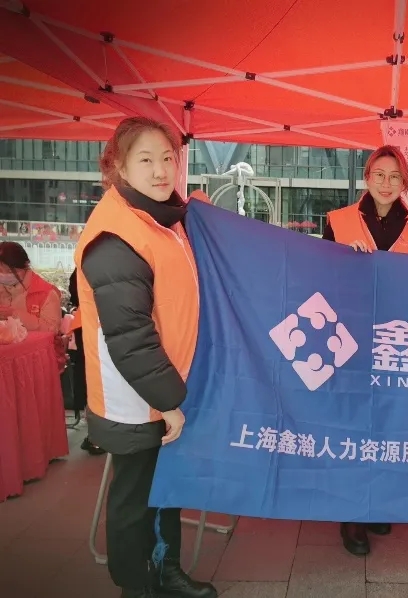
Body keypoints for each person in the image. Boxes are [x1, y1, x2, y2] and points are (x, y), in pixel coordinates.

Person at [74, 116, 215, 598]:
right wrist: (167, 400)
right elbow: (131, 336)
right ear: (118, 166)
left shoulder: (160, 218)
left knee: (166, 486)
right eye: (146, 160)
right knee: (135, 499)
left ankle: (165, 569)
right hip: (134, 398)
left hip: (162, 386)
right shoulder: (115, 237)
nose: (160, 171)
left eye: (168, 158)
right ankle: (136, 586)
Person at [322, 145, 408, 556]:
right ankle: (351, 514)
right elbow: (318, 278)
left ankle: (375, 503)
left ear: (404, 183)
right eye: (379, 174)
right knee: (352, 427)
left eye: (395, 176)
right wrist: (344, 262)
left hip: (392, 343)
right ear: (367, 177)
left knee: (385, 426)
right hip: (348, 340)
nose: (386, 183)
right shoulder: (338, 221)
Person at [68, 267, 105, 455]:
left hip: (89, 323)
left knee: (92, 377)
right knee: (95, 378)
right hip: (95, 325)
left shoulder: (85, 264)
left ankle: (96, 435)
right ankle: (97, 436)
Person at [0, 241, 62, 333]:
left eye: (10, 271)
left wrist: (14, 315)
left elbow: (52, 329)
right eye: (0, 270)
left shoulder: (45, 292)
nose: (4, 275)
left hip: (34, 342)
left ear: (26, 265)